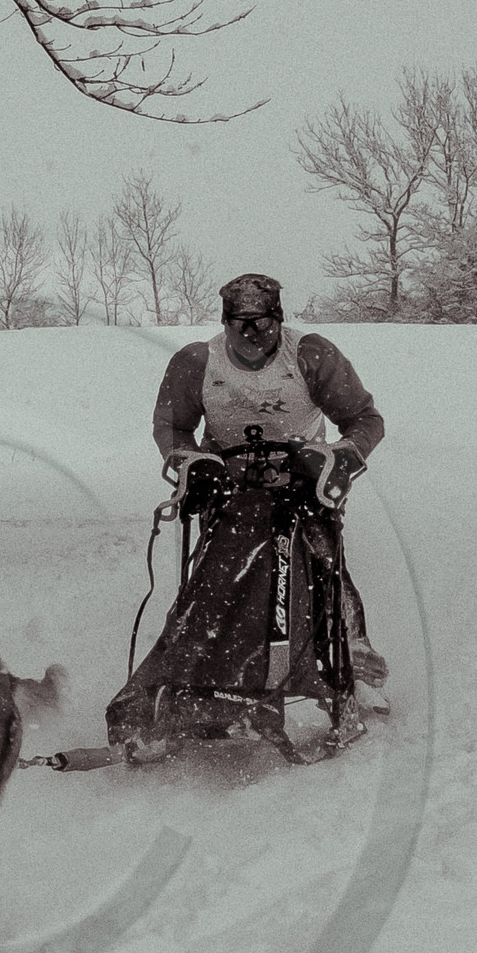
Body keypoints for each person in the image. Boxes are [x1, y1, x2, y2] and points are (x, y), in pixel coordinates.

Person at [106, 272, 388, 760]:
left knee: (323, 568)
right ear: (225, 322)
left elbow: (364, 420)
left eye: (263, 324)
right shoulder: (197, 362)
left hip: (304, 488)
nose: (253, 335)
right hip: (231, 492)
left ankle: (354, 664)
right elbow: (172, 427)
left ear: (279, 319)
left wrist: (339, 459)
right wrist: (191, 463)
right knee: (215, 583)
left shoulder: (311, 355)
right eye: (241, 324)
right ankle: (184, 684)